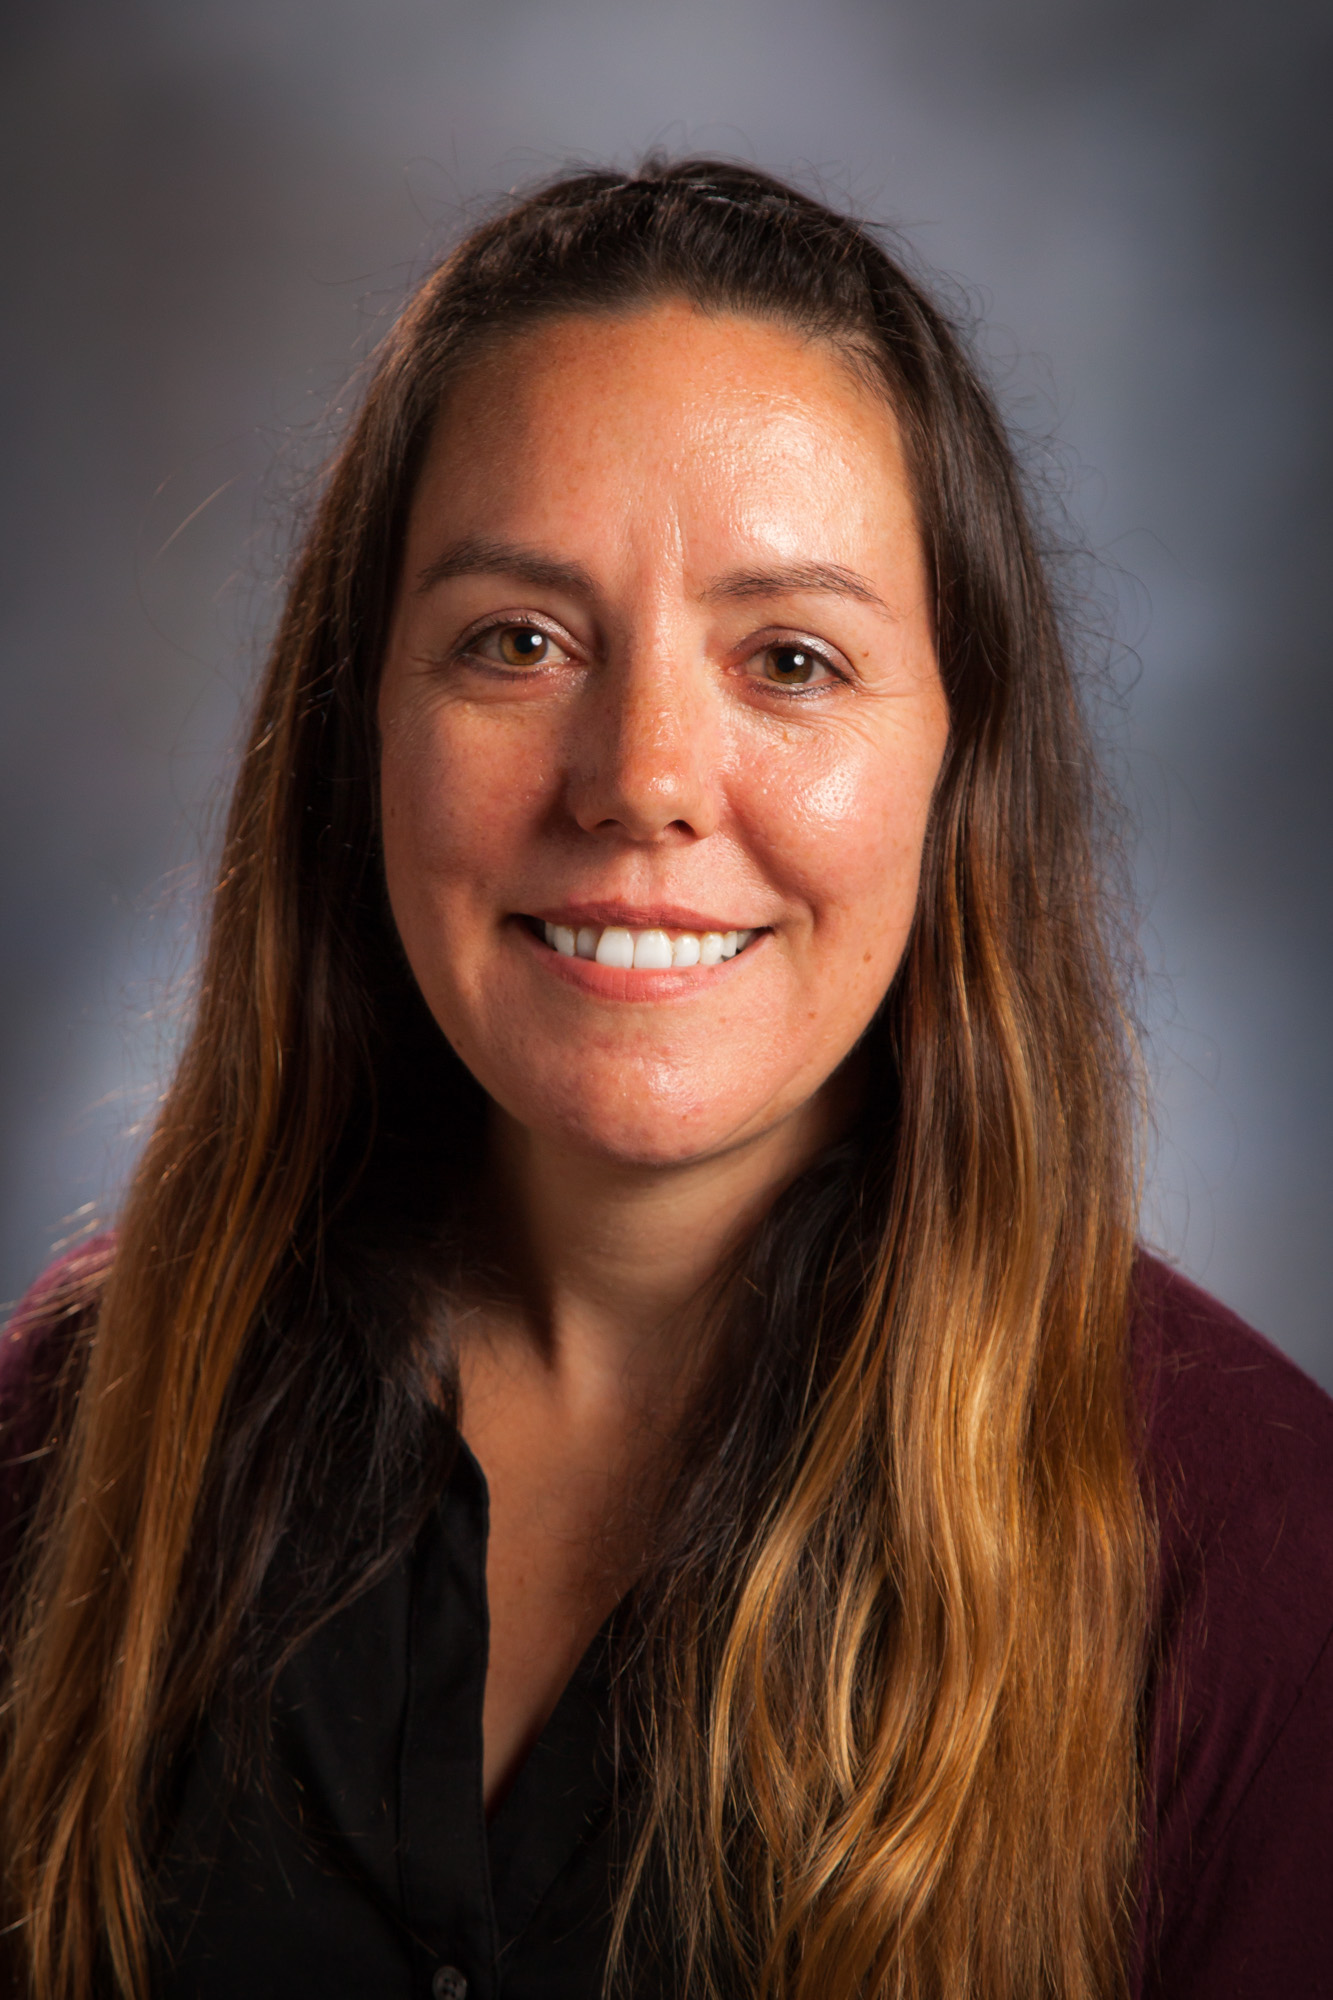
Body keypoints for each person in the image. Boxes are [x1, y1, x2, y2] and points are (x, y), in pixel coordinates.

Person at [1, 159, 1331, 2000]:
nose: (639, 776)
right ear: (355, 728)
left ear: (964, 769)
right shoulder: (63, 1442)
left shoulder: (1268, 1572)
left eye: (790, 660)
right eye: (518, 642)